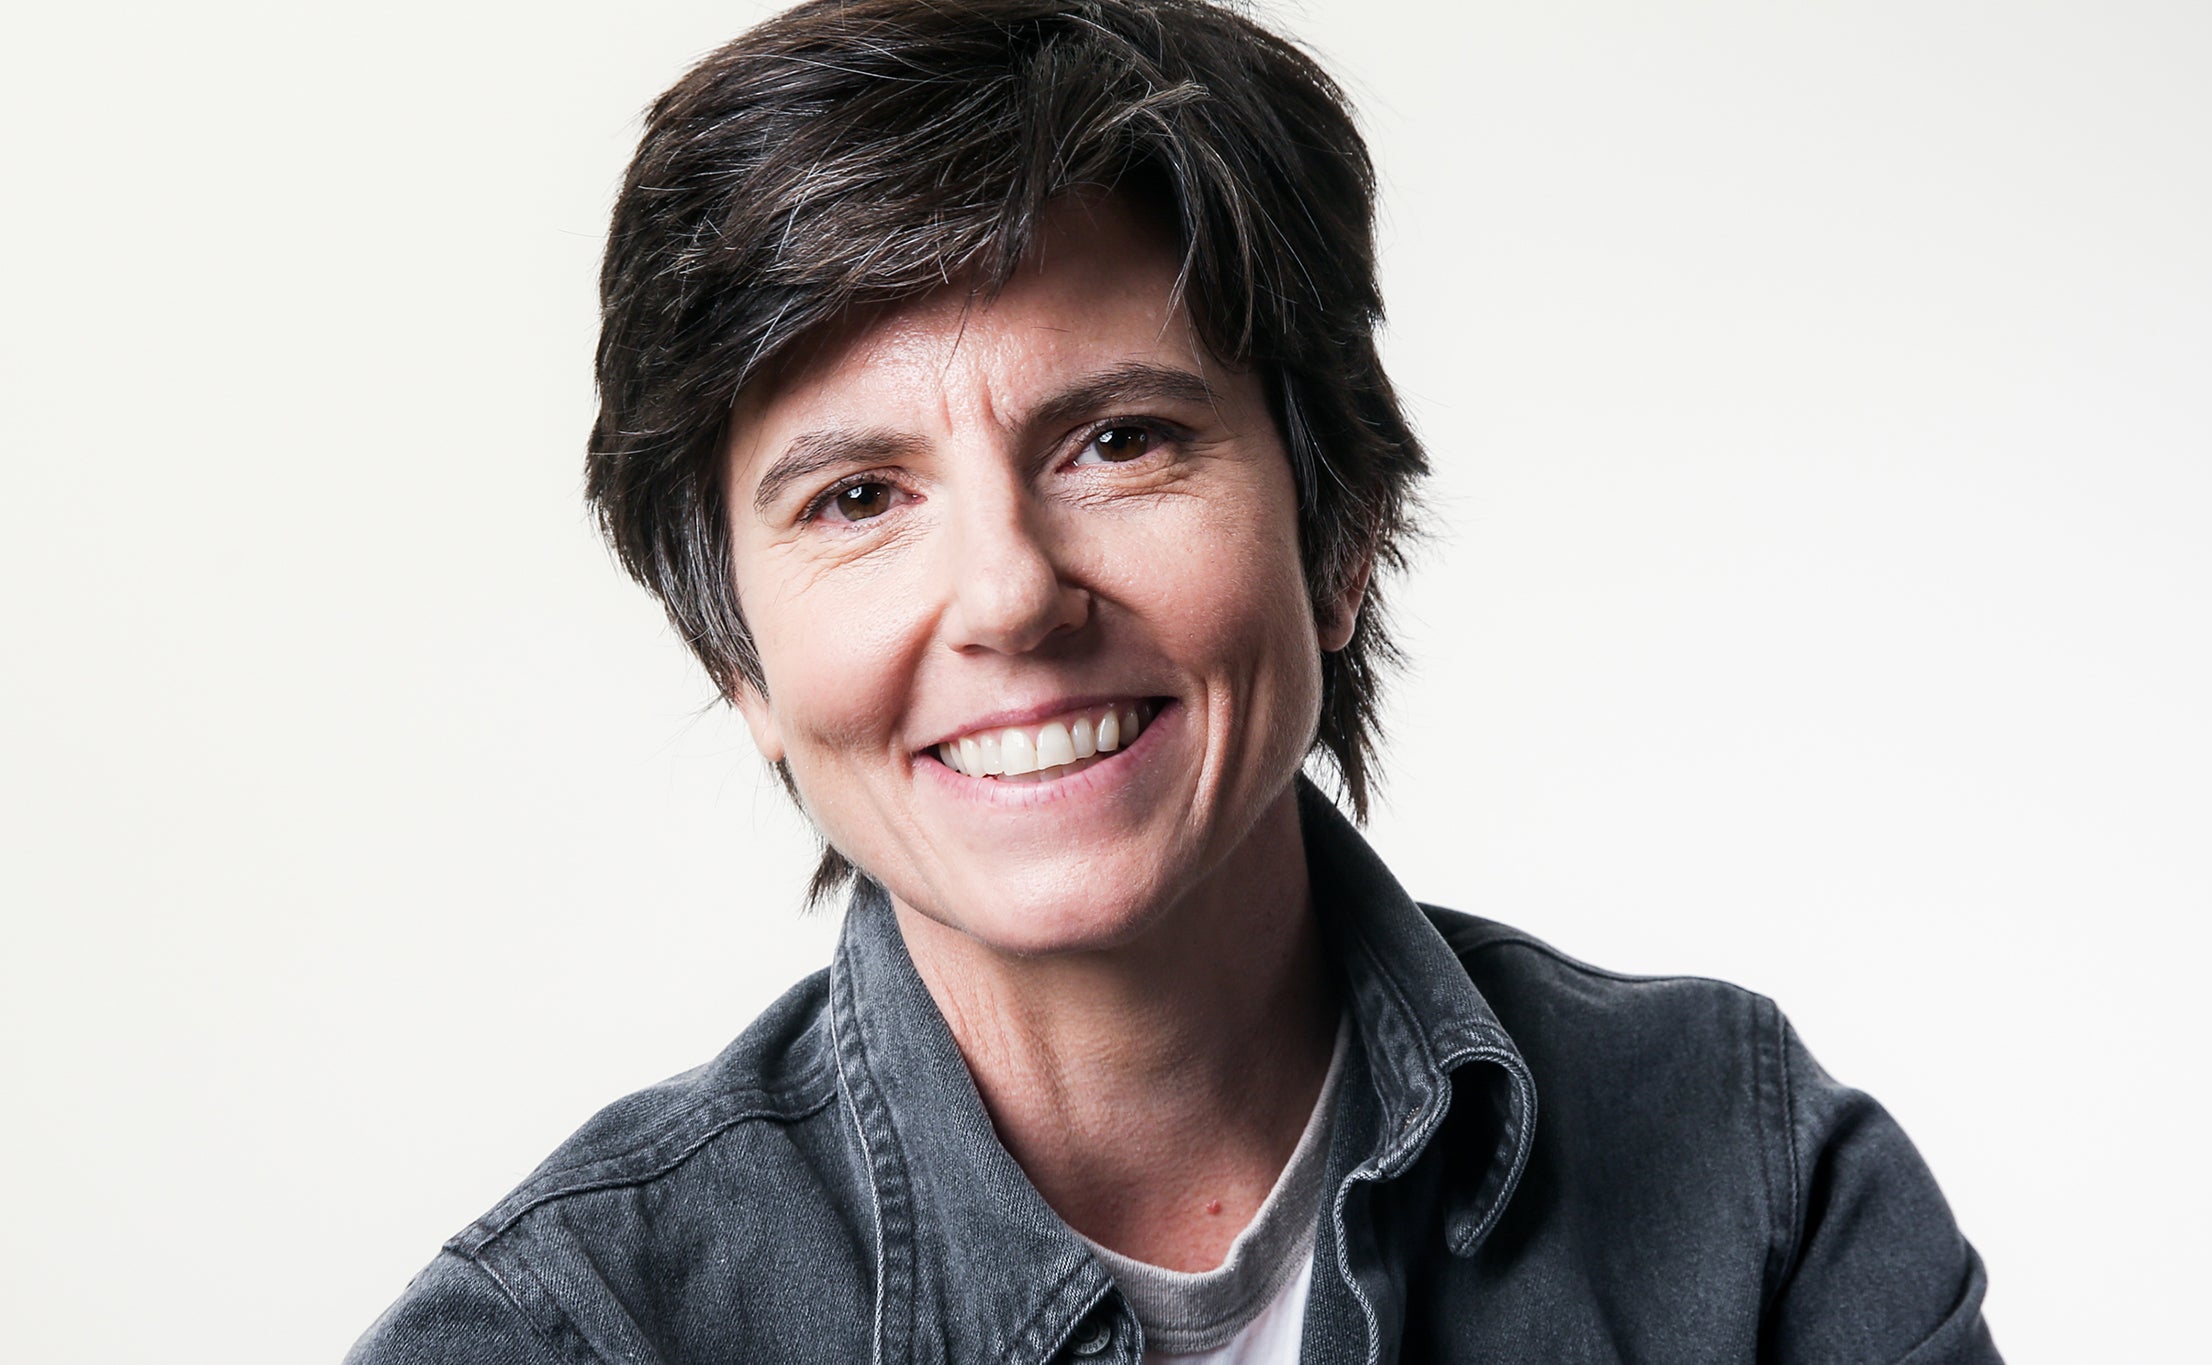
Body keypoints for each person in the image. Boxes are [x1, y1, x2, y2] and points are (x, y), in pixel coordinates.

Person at [349, 1, 2000, 1360]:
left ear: (1339, 532)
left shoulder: (1751, 1183)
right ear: (739, 664)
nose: (1008, 593)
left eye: (1119, 440)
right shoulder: (565, 1335)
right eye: (857, 498)